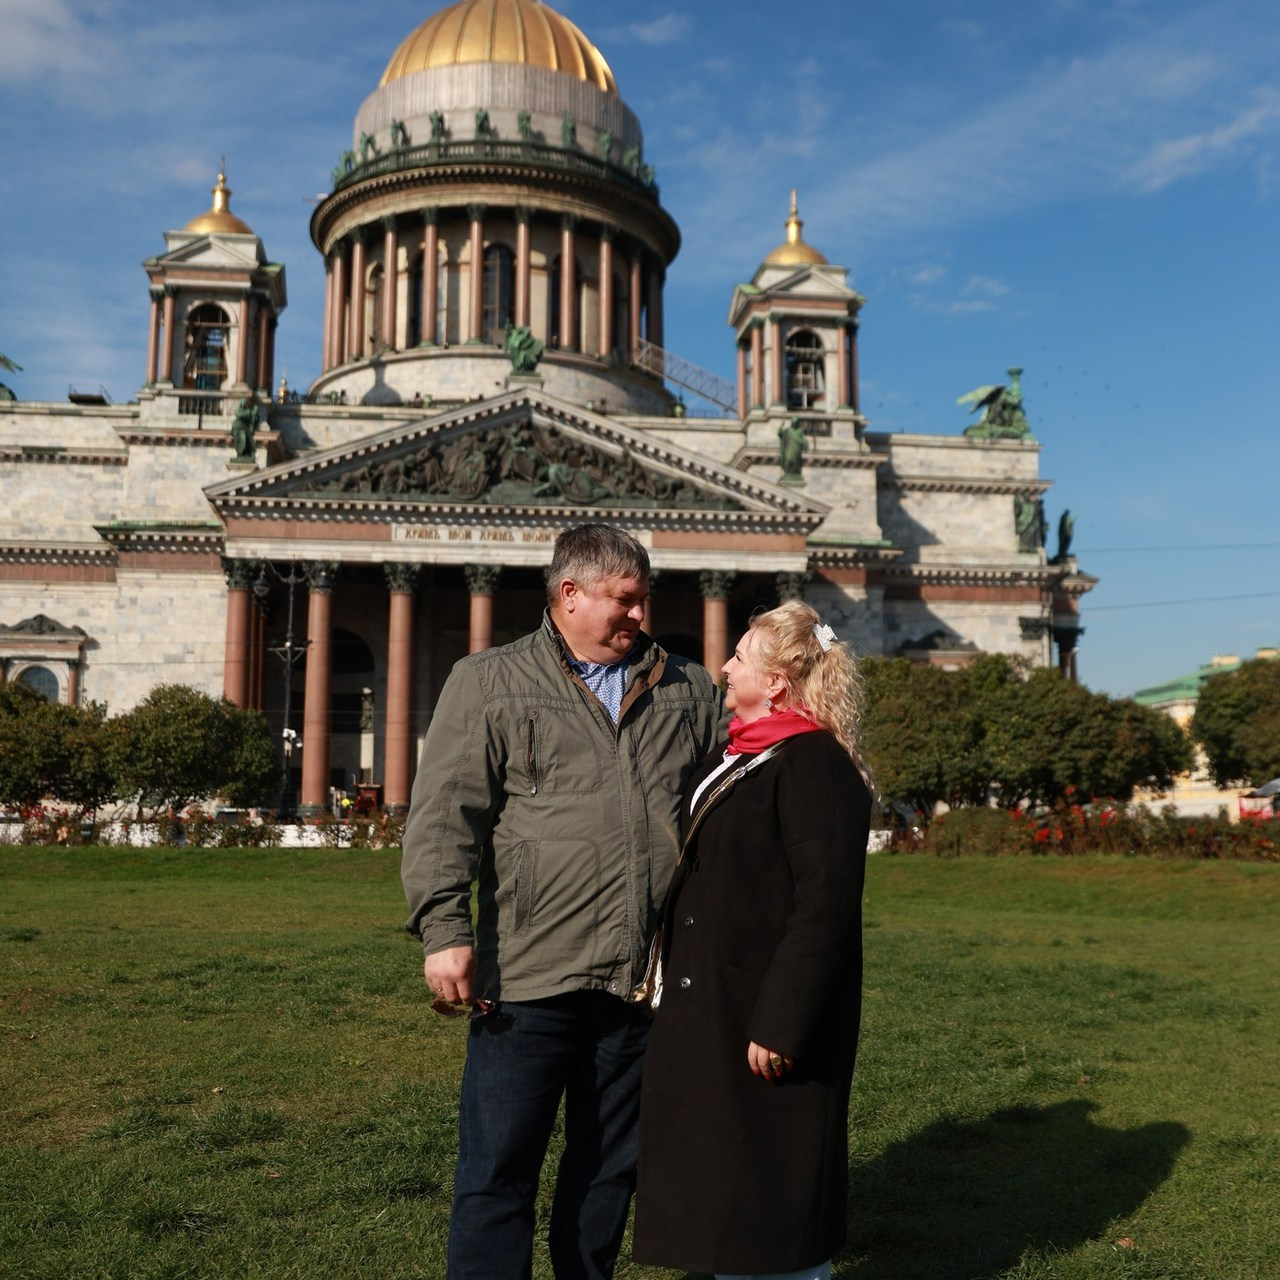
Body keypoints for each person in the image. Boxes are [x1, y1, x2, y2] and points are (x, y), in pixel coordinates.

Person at [400, 523, 723, 1280]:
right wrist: (444, 929)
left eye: (644, 600)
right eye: (625, 600)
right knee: (498, 1171)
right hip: (527, 976)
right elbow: (446, 815)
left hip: (638, 979)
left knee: (610, 1171)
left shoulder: (688, 688)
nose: (639, 616)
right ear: (568, 594)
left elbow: (727, 801)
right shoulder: (488, 682)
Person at [632, 600, 874, 1280]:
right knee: (726, 1188)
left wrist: (782, 1020)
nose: (722, 666)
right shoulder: (740, 753)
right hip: (715, 1000)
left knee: (769, 1195)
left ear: (774, 682)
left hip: (761, 1013)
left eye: (738, 656)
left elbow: (824, 903)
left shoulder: (813, 763)